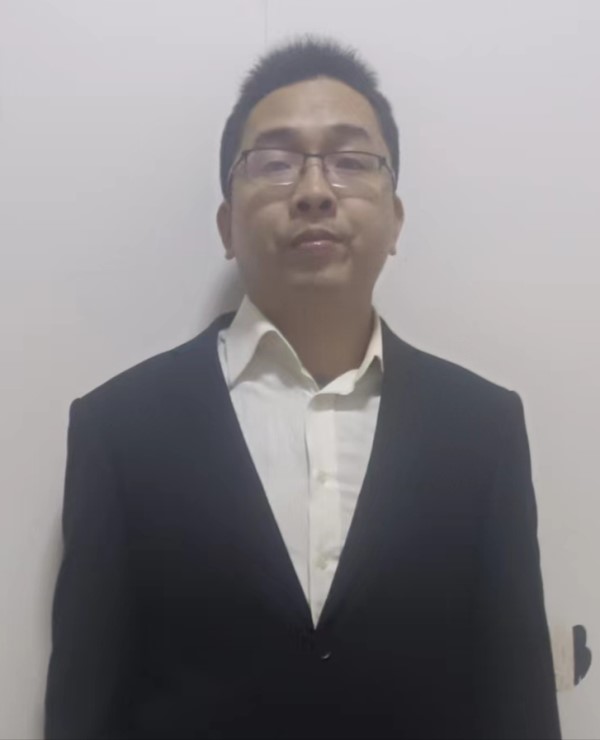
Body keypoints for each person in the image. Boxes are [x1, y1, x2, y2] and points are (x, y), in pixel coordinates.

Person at [44, 35, 561, 739]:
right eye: (276, 163)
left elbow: (519, 699)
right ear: (227, 225)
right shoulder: (119, 427)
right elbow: (83, 706)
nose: (315, 191)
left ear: (395, 219)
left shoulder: (483, 427)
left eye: (350, 161)